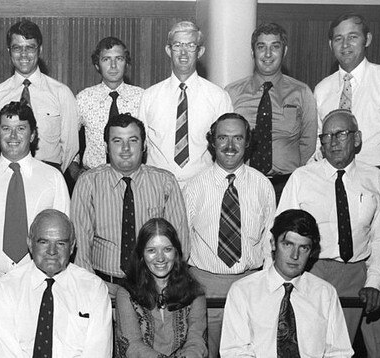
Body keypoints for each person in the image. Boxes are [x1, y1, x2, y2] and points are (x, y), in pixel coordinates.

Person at [277, 108, 380, 352]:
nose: (333, 142)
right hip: (313, 271)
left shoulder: (374, 179)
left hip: (360, 272)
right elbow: (280, 237)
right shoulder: (302, 178)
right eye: (326, 137)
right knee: (314, 348)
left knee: (357, 348)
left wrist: (374, 282)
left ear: (357, 139)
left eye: (341, 134)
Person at [0, 101, 70, 303]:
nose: (13, 136)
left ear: (33, 135)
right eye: (6, 129)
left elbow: (64, 236)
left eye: (21, 129)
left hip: (39, 282)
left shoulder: (53, 178)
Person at [182, 113, 275, 358]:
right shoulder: (193, 186)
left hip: (250, 286)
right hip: (204, 287)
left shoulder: (262, 185)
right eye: (222, 138)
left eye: (237, 138)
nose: (230, 146)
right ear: (212, 142)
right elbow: (182, 242)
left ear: (247, 142)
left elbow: (269, 243)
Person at [72, 114, 188, 300]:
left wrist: (163, 288)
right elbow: (81, 247)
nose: (125, 148)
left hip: (153, 290)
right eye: (117, 141)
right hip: (103, 288)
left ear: (143, 146)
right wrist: (91, 290)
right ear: (106, 147)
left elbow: (179, 243)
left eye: (132, 140)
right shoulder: (88, 183)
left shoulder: (165, 182)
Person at [221, 209, 353, 357]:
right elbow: (235, 352)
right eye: (288, 244)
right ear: (273, 244)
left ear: (312, 252)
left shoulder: (325, 293)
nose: (295, 255)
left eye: (303, 248)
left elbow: (339, 352)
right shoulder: (243, 291)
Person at [0, 209, 112, 357]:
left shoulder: (94, 289)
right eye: (44, 242)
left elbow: (98, 353)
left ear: (72, 247)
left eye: (60, 243)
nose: (52, 251)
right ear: (30, 243)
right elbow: (3, 353)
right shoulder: (4, 289)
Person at [225, 22, 317, 202]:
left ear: (285, 51)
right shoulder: (231, 93)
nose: (268, 54)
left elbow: (309, 142)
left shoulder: (301, 92)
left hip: (286, 186)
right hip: (243, 184)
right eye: (261, 47)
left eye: (275, 47)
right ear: (253, 52)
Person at [135, 21, 232, 186]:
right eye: (177, 45)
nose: (183, 53)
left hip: (203, 186)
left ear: (200, 51)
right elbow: (139, 146)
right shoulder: (149, 96)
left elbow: (227, 148)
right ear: (168, 50)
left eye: (191, 45)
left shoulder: (219, 97)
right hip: (157, 185)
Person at [0, 19, 78, 173]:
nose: (23, 54)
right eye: (17, 48)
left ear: (40, 50)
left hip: (49, 175)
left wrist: (51, 176)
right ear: (9, 51)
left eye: (30, 48)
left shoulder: (61, 93)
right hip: (8, 176)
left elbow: (70, 147)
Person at [115, 218, 207, 358]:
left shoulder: (194, 292)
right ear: (141, 254)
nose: (160, 258)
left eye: (167, 249)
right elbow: (133, 346)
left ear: (176, 252)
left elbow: (197, 343)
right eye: (151, 250)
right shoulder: (126, 293)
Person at [314, 12, 380, 174]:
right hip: (331, 177)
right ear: (330, 44)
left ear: (367, 39)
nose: (345, 45)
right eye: (338, 39)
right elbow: (317, 142)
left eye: (353, 37)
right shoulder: (322, 89)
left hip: (375, 176)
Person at [70, 36, 144, 179]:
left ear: (126, 63)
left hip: (134, 178)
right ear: (97, 65)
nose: (113, 65)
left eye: (119, 59)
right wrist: (75, 171)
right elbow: (69, 141)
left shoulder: (142, 97)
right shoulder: (84, 98)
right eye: (106, 59)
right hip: (94, 178)